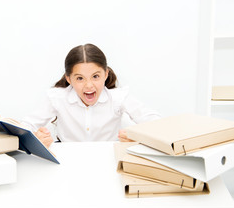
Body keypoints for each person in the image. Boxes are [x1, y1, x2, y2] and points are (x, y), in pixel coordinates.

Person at [21, 44, 160, 147]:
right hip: (68, 160)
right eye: (80, 78)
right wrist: (34, 140)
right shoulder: (57, 98)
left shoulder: (118, 98)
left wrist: (139, 138)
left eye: (95, 76)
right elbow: (24, 127)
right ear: (69, 79)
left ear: (105, 74)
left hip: (107, 159)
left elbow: (157, 123)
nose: (88, 85)